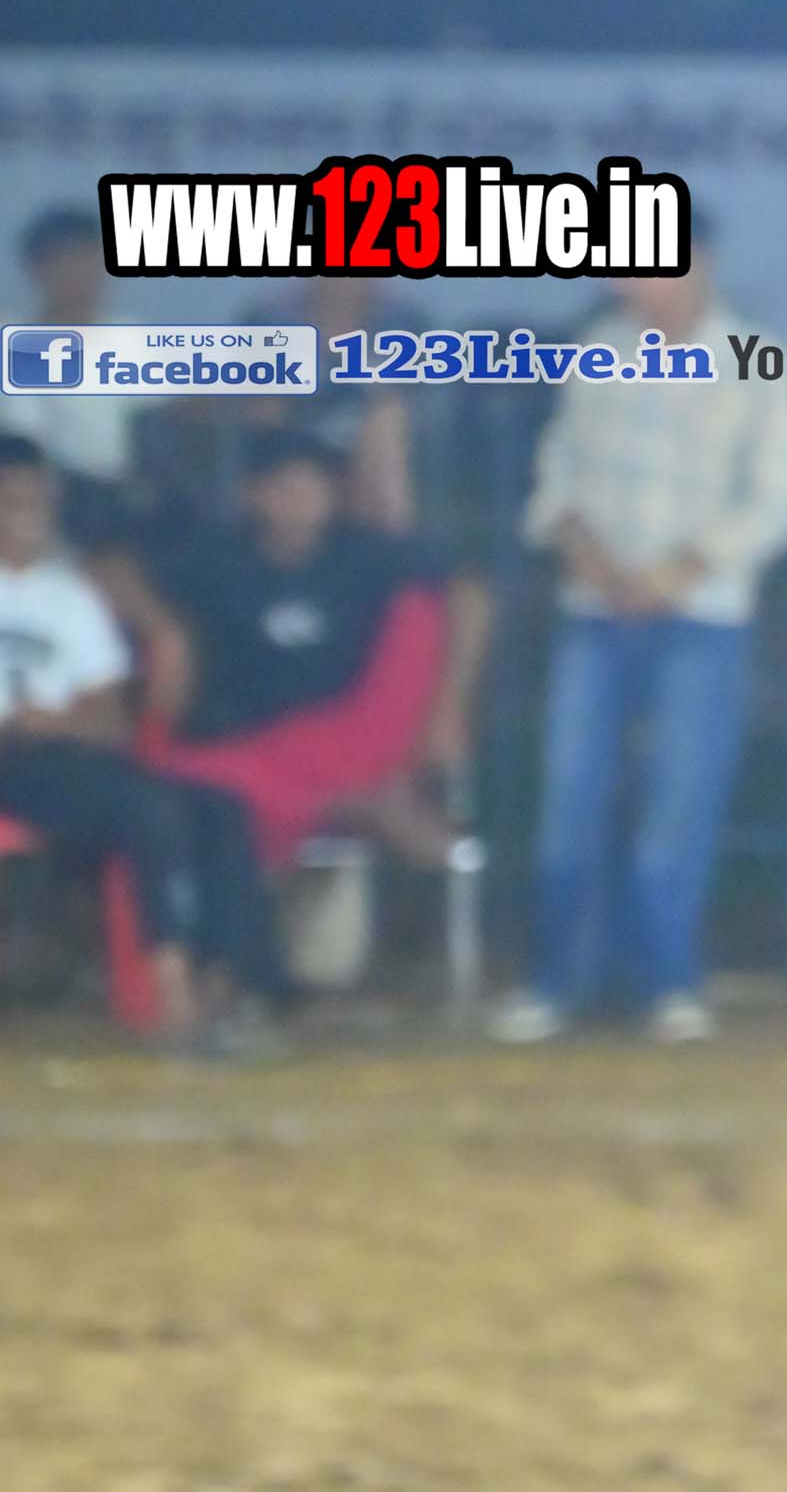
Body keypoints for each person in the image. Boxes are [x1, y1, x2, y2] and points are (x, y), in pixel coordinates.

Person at [490, 257, 787, 1048]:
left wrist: (680, 570)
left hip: (703, 613)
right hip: (594, 607)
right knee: (570, 797)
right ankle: (556, 981)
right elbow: (557, 474)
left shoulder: (756, 358)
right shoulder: (596, 351)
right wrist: (585, 551)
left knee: (678, 804)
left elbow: (779, 499)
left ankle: (667, 981)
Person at [116, 422, 477, 885]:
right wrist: (163, 629)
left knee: (292, 773)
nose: (300, 498)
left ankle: (361, 804)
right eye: (284, 485)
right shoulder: (214, 557)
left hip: (349, 737)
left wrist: (449, 706)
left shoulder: (368, 555)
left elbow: (470, 593)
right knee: (193, 780)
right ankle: (360, 807)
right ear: (252, 495)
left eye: (313, 485)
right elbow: (111, 568)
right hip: (251, 739)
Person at [0, 431, 272, 1042]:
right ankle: (171, 997)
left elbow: (113, 721)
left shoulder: (68, 596)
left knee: (218, 811)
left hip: (64, 759)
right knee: (143, 806)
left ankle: (220, 984)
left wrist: (58, 722)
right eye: (10, 498)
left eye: (35, 498)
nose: (25, 513)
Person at [15, 201, 135, 520]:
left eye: (86, 259)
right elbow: (21, 440)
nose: (77, 273)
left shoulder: (134, 336)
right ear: (36, 270)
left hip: (134, 497)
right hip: (51, 500)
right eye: (63, 261)